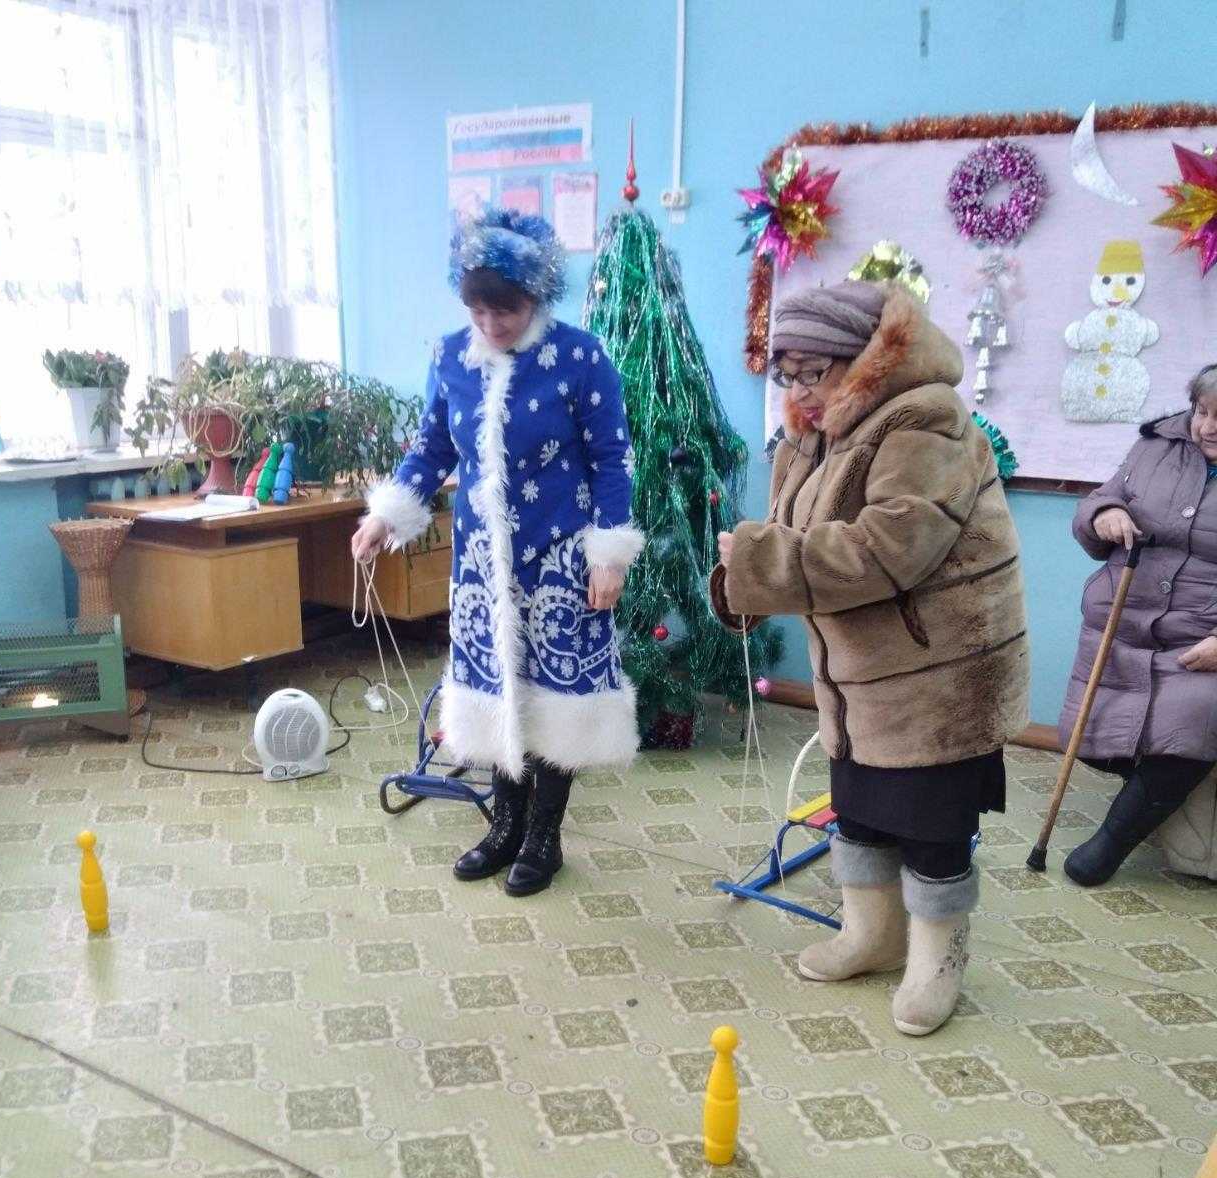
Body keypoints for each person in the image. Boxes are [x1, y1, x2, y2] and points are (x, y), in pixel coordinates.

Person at [712, 281, 1029, 1036]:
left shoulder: (927, 419)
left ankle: (937, 962)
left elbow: (891, 547)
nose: (798, 391)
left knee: (931, 826)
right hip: (858, 677)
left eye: (813, 372)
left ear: (865, 362)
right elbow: (792, 534)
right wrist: (748, 575)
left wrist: (760, 562)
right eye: (786, 374)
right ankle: (873, 937)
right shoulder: (811, 432)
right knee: (859, 812)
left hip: (937, 676)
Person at [352, 208, 643, 896]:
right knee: (493, 694)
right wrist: (385, 517)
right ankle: (505, 826)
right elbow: (431, 448)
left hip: (562, 561)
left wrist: (609, 555)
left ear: (536, 295)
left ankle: (544, 837)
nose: (490, 323)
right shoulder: (451, 356)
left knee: (556, 702)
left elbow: (612, 459)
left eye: (505, 309)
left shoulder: (580, 357)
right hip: (482, 564)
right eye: (477, 309)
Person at [1057, 364, 1217, 887]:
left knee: (1193, 720)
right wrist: (1103, 512)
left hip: (1201, 639)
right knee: (1098, 731)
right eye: (1202, 411)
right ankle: (1158, 802)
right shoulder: (1154, 447)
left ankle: (1110, 843)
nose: (1208, 427)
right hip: (1122, 620)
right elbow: (1100, 498)